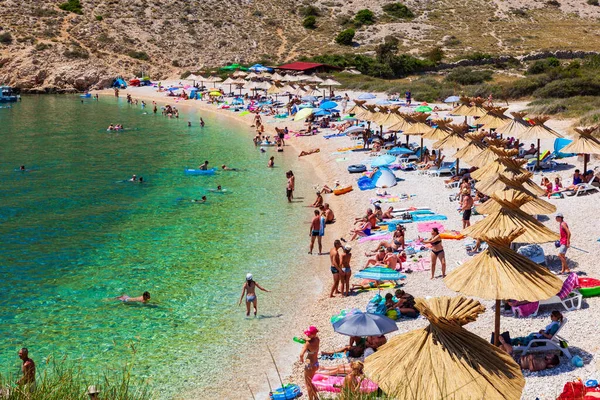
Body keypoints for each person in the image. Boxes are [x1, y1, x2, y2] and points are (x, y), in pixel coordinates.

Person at [299, 326, 320, 400]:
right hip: (316, 364)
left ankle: (311, 399)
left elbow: (301, 354)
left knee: (308, 383)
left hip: (309, 365)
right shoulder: (317, 339)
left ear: (313, 334)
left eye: (309, 334)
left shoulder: (307, 343)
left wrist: (301, 359)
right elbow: (312, 340)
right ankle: (316, 397)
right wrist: (306, 340)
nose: (307, 335)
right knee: (312, 382)